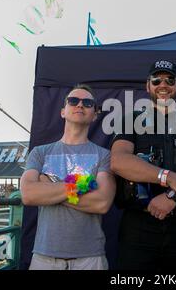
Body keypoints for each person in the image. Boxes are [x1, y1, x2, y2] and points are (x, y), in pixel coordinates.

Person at [110, 59, 176, 270]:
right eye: (157, 79)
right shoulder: (131, 119)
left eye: (170, 80)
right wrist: (169, 178)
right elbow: (119, 161)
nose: (163, 85)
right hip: (139, 227)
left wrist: (173, 196)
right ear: (147, 85)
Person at [20, 84, 116, 270]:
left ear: (95, 114)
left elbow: (101, 203)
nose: (80, 105)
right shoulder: (40, 153)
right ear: (63, 111)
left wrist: (50, 186)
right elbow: (29, 195)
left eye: (87, 103)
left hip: (90, 257)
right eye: (73, 101)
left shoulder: (104, 155)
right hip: (44, 256)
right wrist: (83, 184)